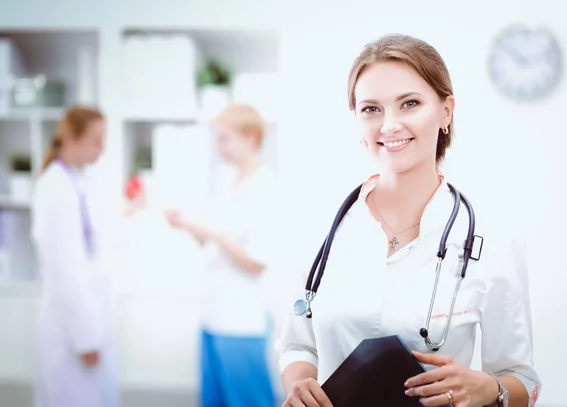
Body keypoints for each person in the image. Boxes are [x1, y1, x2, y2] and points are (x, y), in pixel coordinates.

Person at [277, 34, 542, 407]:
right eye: (371, 108)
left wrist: (490, 389)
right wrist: (300, 383)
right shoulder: (321, 228)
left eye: (410, 103)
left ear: (446, 111)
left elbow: (523, 381)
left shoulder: (492, 239)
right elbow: (297, 346)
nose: (390, 125)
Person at [165, 104, 277, 407]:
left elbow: (255, 262)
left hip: (242, 320)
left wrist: (213, 233)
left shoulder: (265, 187)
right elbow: (209, 240)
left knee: (248, 400)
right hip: (213, 314)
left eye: (225, 139)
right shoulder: (229, 183)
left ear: (250, 138)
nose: (219, 148)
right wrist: (184, 223)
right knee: (216, 400)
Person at [31, 106, 119, 407]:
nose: (102, 148)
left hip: (88, 314)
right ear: (70, 139)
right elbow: (65, 269)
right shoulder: (55, 187)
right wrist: (86, 336)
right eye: (97, 139)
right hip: (71, 330)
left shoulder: (76, 182)